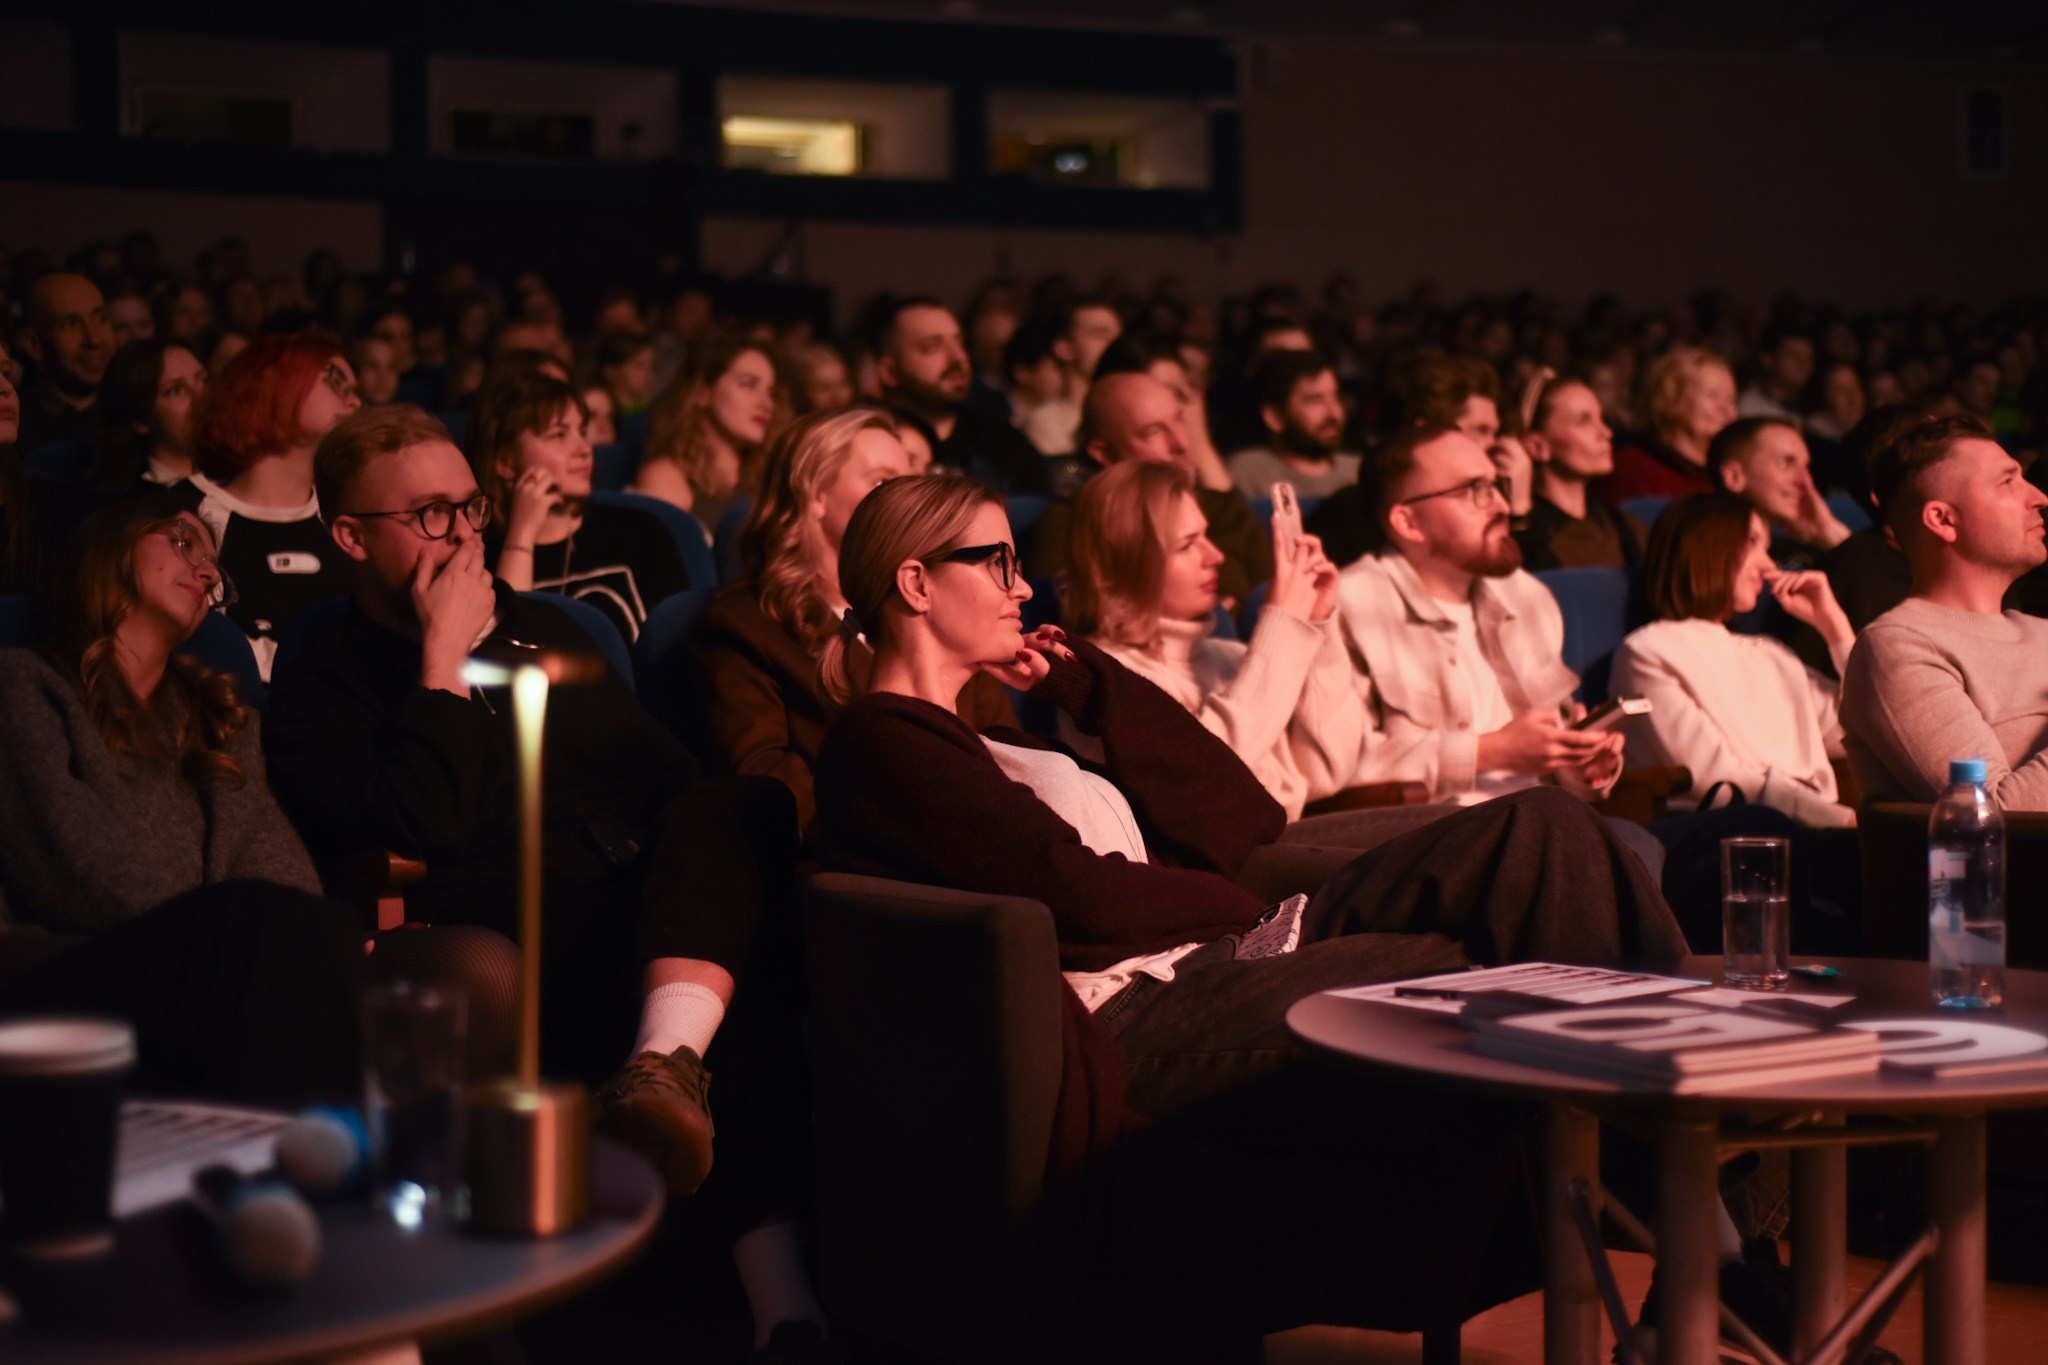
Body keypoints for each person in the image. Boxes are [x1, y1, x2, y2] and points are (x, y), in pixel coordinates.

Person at [806, 471, 1685, 1356]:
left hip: (1219, 955)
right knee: (1487, 976)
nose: (1022, 585)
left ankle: (1699, 1206)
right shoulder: (884, 742)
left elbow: (1240, 816)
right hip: (1145, 1011)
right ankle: (1706, 1230)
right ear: (916, 584)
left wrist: (1090, 685)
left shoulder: (1006, 740)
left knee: (1546, 827)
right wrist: (1241, 920)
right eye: (996, 562)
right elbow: (1071, 891)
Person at [264, 405, 825, 1355]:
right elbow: (417, 823)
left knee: (742, 812)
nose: (463, 533)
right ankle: (760, 1290)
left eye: (469, 508)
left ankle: (685, 1110)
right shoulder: (326, 670)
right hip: (499, 909)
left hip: (632, 893)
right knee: (698, 962)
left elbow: (667, 777)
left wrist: (677, 865)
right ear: (352, 535)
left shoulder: (537, 629)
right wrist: (442, 657)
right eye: (431, 514)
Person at [0, 498, 515, 1103]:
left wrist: (300, 942)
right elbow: (67, 862)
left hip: (225, 958)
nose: (209, 572)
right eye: (183, 543)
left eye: (215, 563)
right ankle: (322, 1164)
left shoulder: (221, 719)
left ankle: (409, 1169)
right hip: (66, 965)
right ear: (111, 550)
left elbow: (273, 864)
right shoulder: (23, 685)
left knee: (477, 963)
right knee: (279, 938)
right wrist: (250, 937)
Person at [688, 406, 1013, 828]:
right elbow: (771, 793)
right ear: (815, 495)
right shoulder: (744, 628)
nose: (903, 498)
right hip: (858, 869)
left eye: (909, 480)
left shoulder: (939, 607)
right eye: (881, 481)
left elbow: (1009, 754)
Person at [1063, 457, 1388, 824]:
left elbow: (1327, 771)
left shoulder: (1230, 658)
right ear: (1124, 562)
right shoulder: (1101, 678)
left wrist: (1317, 632)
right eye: (1187, 545)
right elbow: (1205, 783)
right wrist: (1283, 626)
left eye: (1206, 536)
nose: (1215, 556)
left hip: (1292, 842)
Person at [1611, 494, 1857, 829]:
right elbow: (1717, 782)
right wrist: (1840, 821)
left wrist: (1835, 628)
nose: (1769, 565)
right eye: (1753, 541)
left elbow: (1866, 727)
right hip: (1738, 834)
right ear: (1707, 545)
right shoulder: (1649, 651)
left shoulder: (1770, 652)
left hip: (1816, 827)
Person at [1841, 412, 2048, 807]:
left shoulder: (2043, 632)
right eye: (2008, 482)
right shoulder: (1899, 647)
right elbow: (1990, 816)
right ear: (1943, 519)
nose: (2039, 497)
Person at [175, 334, 361, 678]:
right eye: (336, 381)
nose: (355, 403)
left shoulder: (349, 515)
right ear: (276, 382)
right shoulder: (186, 514)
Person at [471, 370, 690, 644]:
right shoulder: (479, 559)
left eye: (582, 432)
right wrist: (522, 533)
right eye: (559, 434)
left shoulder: (640, 532)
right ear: (505, 462)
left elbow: (678, 651)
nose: (584, 449)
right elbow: (512, 650)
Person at [1026, 372, 1274, 609]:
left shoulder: (1223, 508)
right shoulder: (1071, 524)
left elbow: (1274, 597)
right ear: (1102, 453)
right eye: (1153, 432)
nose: (1181, 444)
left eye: (1179, 419)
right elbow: (1068, 619)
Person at [874, 297, 1050, 495]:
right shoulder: (869, 444)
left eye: (960, 343)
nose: (958, 357)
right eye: (932, 346)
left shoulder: (1000, 441)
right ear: (889, 372)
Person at [634, 334, 778, 534]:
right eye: (748, 384)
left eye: (770, 392)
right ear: (703, 393)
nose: (767, 403)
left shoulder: (770, 474)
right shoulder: (667, 478)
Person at [1512, 368, 1647, 572]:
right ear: (1538, 446)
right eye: (1584, 421)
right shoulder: (1522, 536)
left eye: (1601, 418)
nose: (1606, 432)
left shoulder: (1628, 530)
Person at [1595, 346, 1736, 503]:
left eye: (1731, 400)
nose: (1727, 410)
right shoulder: (1633, 469)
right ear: (1672, 398)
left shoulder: (1731, 476)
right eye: (1712, 396)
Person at [1224, 350, 1362, 501]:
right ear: (1274, 417)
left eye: (1337, 397)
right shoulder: (1247, 472)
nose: (1334, 413)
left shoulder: (1359, 472)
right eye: (1315, 400)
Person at [1709, 417, 1852, 556]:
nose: (1806, 482)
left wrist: (1830, 534)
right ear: (1734, 477)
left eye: (1806, 467)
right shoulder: (1709, 560)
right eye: (1785, 463)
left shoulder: (1800, 554)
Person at [88, 339, 208, 500]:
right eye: (175, 390)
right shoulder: (136, 504)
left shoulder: (237, 476)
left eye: (203, 381)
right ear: (140, 419)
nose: (201, 398)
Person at [14, 272, 114, 453]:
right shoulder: (12, 425)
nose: (94, 339)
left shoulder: (141, 414)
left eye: (101, 319)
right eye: (70, 324)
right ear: (33, 344)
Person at [1015, 298, 1123, 457]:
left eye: (1119, 336)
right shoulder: (1047, 422)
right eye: (1100, 334)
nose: (1115, 344)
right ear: (1064, 348)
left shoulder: (1124, 415)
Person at [1737, 328, 1815, 423]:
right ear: (1767, 359)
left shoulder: (1806, 409)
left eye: (1808, 358)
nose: (1802, 364)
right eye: (1792, 355)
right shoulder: (1747, 406)